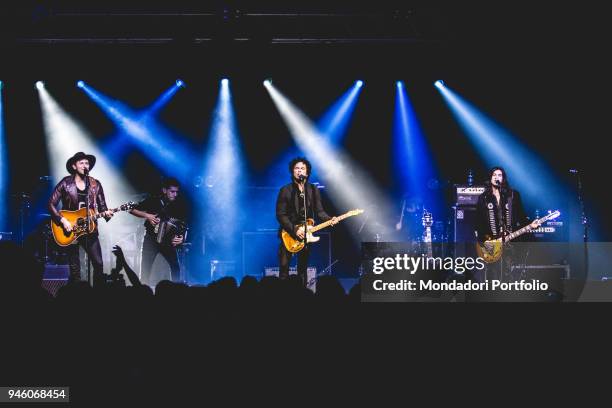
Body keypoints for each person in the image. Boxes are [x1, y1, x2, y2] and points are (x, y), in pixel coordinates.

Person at [48, 152, 114, 286]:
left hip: (90, 229)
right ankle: (76, 298)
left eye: (87, 163)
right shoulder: (66, 183)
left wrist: (107, 214)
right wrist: (62, 220)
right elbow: (50, 204)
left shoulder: (95, 184)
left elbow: (102, 208)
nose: (85, 165)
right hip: (71, 229)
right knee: (75, 269)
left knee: (99, 264)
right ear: (74, 166)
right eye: (81, 163)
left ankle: (98, 296)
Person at [275, 157, 337, 286]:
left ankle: (301, 293)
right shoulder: (285, 190)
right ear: (292, 172)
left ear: (307, 172)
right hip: (288, 234)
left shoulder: (313, 190)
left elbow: (319, 211)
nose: (299, 171)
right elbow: (281, 215)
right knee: (284, 268)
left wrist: (329, 219)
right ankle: (281, 294)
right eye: (296, 168)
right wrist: (294, 229)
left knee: (302, 269)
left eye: (302, 168)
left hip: (306, 234)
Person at [474, 167, 538, 281]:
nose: (496, 177)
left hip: (510, 241)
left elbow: (521, 216)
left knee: (508, 273)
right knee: (493, 274)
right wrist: (485, 241)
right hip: (491, 242)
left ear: (503, 178)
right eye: (494, 175)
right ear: (490, 177)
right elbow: (479, 223)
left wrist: (530, 224)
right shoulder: (483, 198)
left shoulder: (512, 195)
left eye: (500, 175)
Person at [129, 177, 186, 286]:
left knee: (175, 267)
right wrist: (147, 215)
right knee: (146, 268)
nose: (175, 195)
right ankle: (143, 291)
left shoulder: (178, 205)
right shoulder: (153, 201)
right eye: (172, 192)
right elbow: (131, 209)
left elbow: (183, 226)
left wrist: (181, 238)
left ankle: (178, 291)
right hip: (151, 240)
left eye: (177, 192)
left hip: (168, 241)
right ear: (164, 190)